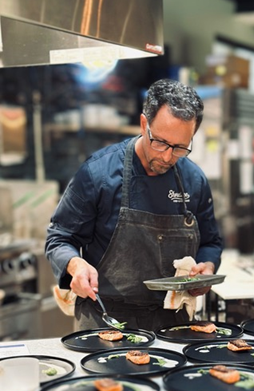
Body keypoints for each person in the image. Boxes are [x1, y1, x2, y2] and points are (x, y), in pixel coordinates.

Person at [45, 79, 224, 331]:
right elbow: (59, 238)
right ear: (143, 124)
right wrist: (75, 265)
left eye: (180, 148)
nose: (167, 156)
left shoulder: (194, 180)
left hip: (172, 323)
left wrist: (207, 268)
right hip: (104, 319)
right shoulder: (97, 173)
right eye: (160, 142)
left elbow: (210, 242)